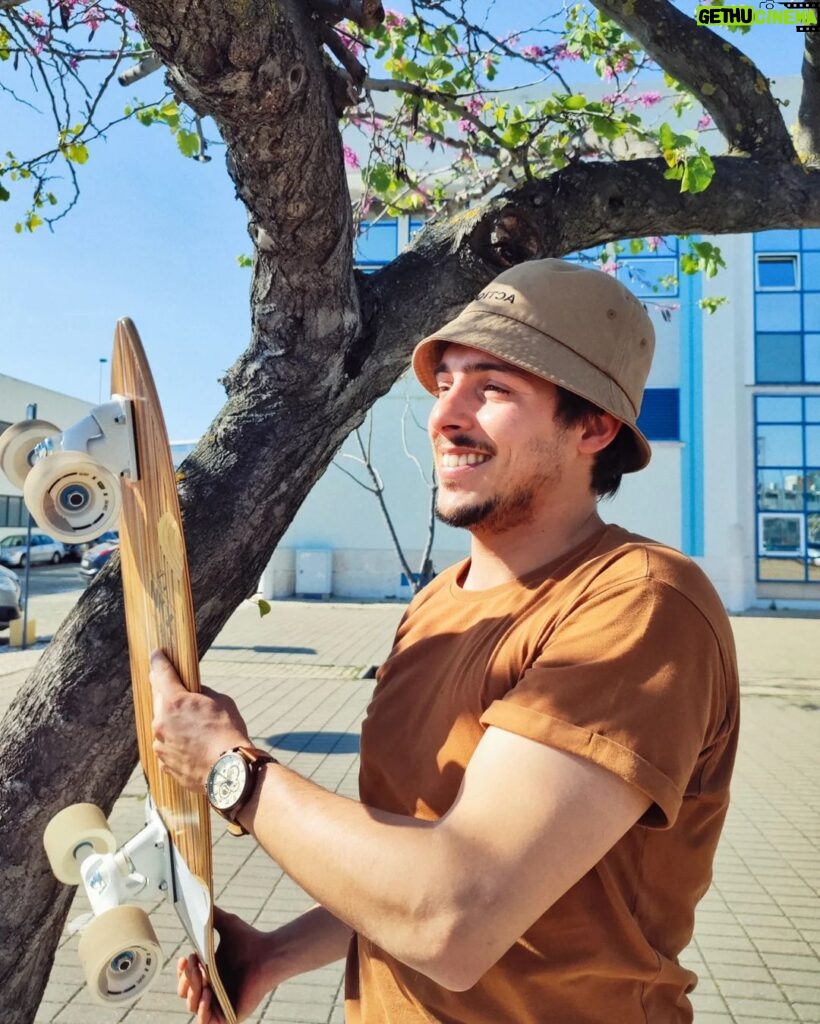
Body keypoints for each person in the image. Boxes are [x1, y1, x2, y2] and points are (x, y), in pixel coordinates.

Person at [151, 258, 739, 1024]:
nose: (444, 416)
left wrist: (233, 771)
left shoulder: (638, 603)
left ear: (592, 426)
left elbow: (453, 914)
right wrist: (275, 955)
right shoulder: (436, 604)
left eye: (492, 387)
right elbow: (422, 855)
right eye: (444, 384)